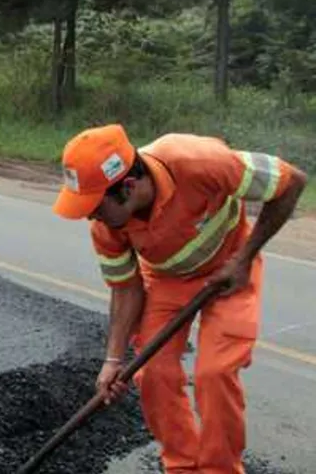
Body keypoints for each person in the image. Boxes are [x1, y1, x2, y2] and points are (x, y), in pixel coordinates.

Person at [51, 124, 307, 474]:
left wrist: (244, 259)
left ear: (127, 187)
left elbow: (291, 181)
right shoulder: (105, 228)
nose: (90, 216)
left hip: (228, 271)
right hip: (167, 280)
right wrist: (113, 359)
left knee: (214, 373)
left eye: (95, 206)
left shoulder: (198, 161)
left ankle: (220, 469)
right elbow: (126, 289)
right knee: (152, 374)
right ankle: (182, 466)